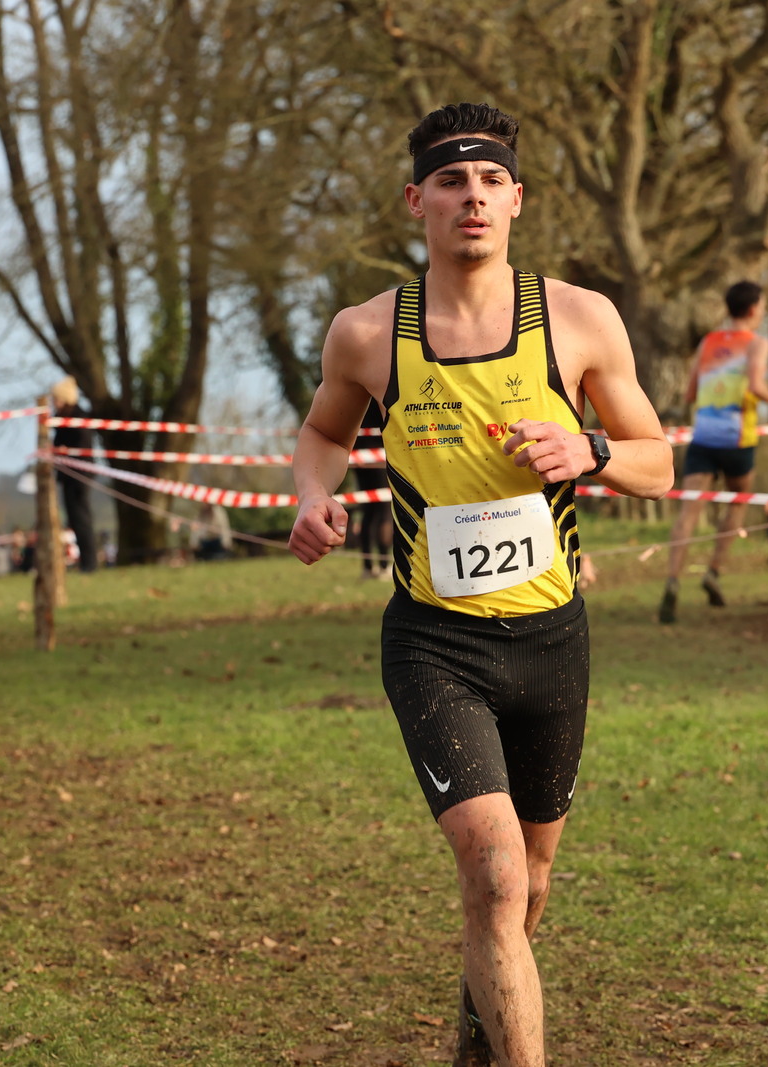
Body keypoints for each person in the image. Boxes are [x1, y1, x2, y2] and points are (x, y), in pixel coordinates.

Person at [286, 102, 672, 1067]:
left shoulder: (579, 319)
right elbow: (325, 434)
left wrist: (589, 450)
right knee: (495, 873)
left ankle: (479, 1038)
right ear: (415, 199)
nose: (473, 198)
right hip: (435, 641)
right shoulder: (368, 333)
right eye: (451, 181)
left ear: (517, 199)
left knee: (530, 881)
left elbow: (657, 461)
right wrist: (311, 495)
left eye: (491, 180)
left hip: (551, 639)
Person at [657, 281, 768, 623]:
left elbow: (690, 393)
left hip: (704, 436)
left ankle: (672, 580)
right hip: (737, 439)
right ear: (754, 308)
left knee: (688, 512)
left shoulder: (708, 342)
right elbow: (756, 384)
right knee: (737, 502)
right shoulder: (757, 343)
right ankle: (714, 571)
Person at [51, 377, 100, 571]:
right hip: (68, 475)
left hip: (80, 475)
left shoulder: (79, 417)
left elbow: (83, 447)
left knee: (82, 519)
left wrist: (66, 451)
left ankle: (90, 563)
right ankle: (85, 563)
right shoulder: (62, 418)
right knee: (74, 520)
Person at [353, 399, 394, 579]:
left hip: (357, 453)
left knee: (368, 511)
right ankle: (384, 566)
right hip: (379, 454)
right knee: (384, 511)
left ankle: (368, 567)